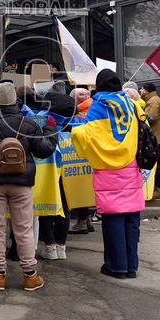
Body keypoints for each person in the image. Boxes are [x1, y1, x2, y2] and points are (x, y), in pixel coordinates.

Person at [0, 81, 56, 292]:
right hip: (22, 183)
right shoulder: (29, 124)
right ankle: (30, 275)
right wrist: (50, 127)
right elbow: (44, 149)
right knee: (24, 229)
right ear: (15, 100)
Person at [72, 69, 145, 280]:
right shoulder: (131, 105)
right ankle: (131, 266)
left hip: (107, 169)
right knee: (131, 218)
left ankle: (116, 266)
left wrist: (74, 131)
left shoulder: (99, 105)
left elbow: (87, 135)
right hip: (131, 166)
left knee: (113, 218)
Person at [66, 87, 94, 235]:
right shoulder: (94, 107)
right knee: (86, 185)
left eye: (85, 93)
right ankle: (86, 219)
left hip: (78, 153)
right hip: (90, 154)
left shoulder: (78, 111)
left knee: (80, 186)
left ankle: (83, 221)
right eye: (82, 94)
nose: (86, 96)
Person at [140, 83, 160, 199]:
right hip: (158, 137)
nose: (140, 90)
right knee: (158, 162)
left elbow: (149, 118)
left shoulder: (152, 101)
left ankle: (159, 190)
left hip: (155, 137)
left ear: (146, 90)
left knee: (157, 164)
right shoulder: (154, 99)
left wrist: (140, 115)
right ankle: (159, 188)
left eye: (141, 89)